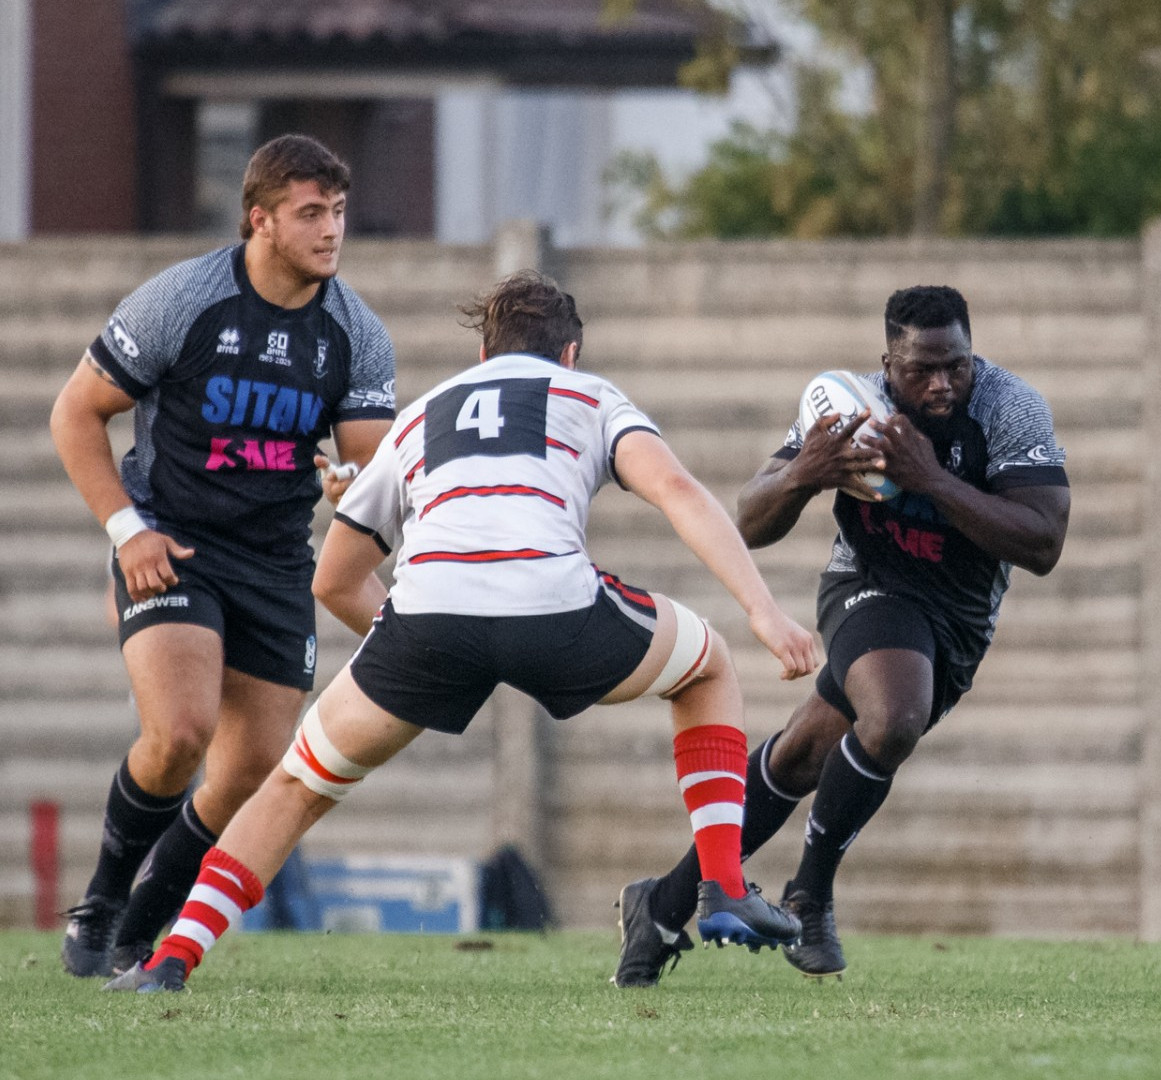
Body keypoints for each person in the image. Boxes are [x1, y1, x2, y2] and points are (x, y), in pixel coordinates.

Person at [107, 270, 819, 992]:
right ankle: (723, 884)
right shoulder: (591, 394)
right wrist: (764, 610)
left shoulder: (421, 415)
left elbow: (333, 579)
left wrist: (410, 648)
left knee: (295, 785)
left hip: (426, 619)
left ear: (483, 356)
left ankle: (170, 961)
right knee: (709, 666)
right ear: (570, 355)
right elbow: (675, 489)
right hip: (554, 607)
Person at [610, 285, 1071, 986]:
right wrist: (802, 475)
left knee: (802, 755)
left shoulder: (1009, 408)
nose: (943, 383)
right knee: (891, 719)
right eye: (923, 369)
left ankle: (663, 907)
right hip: (868, 590)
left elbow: (1043, 542)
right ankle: (811, 894)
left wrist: (933, 481)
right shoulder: (850, 407)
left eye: (957, 365)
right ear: (889, 362)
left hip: (958, 619)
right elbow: (749, 522)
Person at [50, 134, 397, 977]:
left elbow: (370, 463)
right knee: (180, 733)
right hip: (174, 543)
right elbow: (74, 414)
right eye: (311, 214)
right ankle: (100, 906)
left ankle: (144, 924)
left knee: (250, 767)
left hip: (276, 564)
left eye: (339, 213)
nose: (330, 231)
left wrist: (350, 489)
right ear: (261, 219)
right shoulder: (185, 299)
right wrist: (127, 531)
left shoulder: (354, 330)